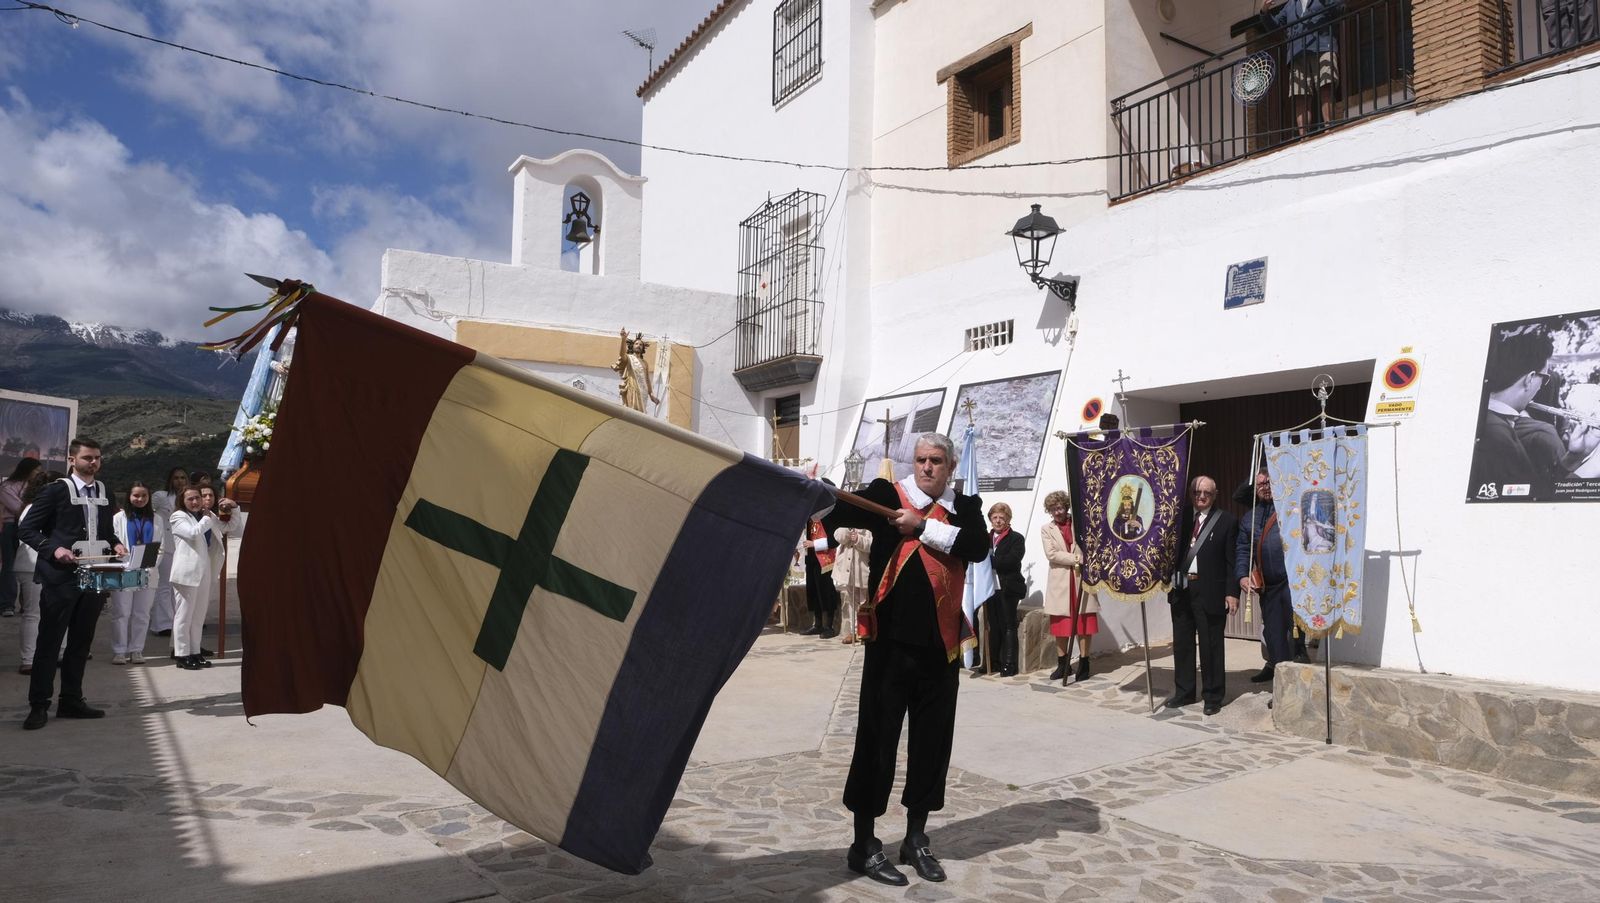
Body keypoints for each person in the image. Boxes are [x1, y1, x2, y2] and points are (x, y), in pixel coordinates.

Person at [827, 433, 988, 886]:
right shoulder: (885, 495)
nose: (927, 468)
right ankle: (864, 844)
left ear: (950, 465)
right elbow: (838, 508)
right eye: (920, 460)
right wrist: (814, 491)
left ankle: (916, 837)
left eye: (936, 460)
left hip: (942, 647)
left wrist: (920, 527)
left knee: (932, 745)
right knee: (876, 743)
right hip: (890, 647)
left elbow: (976, 547)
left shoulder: (966, 508)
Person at [17, 439, 127, 731]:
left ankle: (71, 700)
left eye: (98, 458)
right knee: (50, 643)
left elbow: (105, 532)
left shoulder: (104, 491)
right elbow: (27, 528)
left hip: (94, 576)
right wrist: (54, 549)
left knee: (81, 642)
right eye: (88, 457)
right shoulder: (56, 490)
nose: (94, 463)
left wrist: (116, 545)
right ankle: (39, 705)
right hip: (60, 578)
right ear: (72, 459)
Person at [1469, 328, 1594, 498]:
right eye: (1545, 379)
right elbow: (1536, 501)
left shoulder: (1493, 421)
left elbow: (1535, 485)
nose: (1541, 386)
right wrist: (1592, 467)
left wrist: (1575, 455)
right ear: (1530, 379)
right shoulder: (1495, 433)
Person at [1167, 476, 1240, 716]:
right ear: (1191, 493)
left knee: (1211, 645)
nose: (1201, 497)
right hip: (1181, 590)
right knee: (1183, 644)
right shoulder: (1180, 518)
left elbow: (1232, 561)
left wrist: (1232, 593)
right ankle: (1184, 692)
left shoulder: (1227, 521)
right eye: (1197, 492)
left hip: (1211, 591)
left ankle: (1212, 696)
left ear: (1215, 495)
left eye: (1207, 493)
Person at [1236, 467, 1300, 684]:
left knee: (1298, 635)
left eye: (1269, 483)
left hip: (1293, 584)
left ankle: (1301, 681)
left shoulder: (1291, 509)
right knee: (1274, 637)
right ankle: (1283, 688)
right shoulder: (1249, 518)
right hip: (1269, 588)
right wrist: (1243, 576)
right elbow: (1243, 550)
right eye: (1260, 485)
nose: (1265, 488)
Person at [168, 486, 242, 670]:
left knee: (198, 615)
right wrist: (208, 518)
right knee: (184, 615)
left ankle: (194, 651)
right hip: (186, 572)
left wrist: (234, 507)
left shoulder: (206, 515)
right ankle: (181, 654)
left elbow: (229, 527)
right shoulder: (178, 516)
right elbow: (193, 533)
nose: (195, 502)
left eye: (197, 498)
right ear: (182, 502)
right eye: (190, 499)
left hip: (204, 570)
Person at [1262, 0, 1344, 136]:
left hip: (1323, 46)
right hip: (1297, 52)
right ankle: (1303, 136)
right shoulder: (1290, 5)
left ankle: (1330, 128)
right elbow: (1274, 27)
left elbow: (1340, 8)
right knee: (1300, 95)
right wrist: (1264, 11)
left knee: (1326, 86)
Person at [1040, 490, 1097, 684]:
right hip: (1061, 582)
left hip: (1081, 579)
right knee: (1061, 625)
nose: (1057, 512)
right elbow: (1052, 554)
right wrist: (1076, 559)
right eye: (1053, 509)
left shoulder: (1080, 524)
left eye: (1060, 508)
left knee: (1084, 623)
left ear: (1066, 507)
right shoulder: (1046, 529)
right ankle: (1063, 664)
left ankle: (1084, 662)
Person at [109, 482, 162, 665]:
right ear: (129, 497)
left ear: (149, 498)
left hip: (148, 569)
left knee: (142, 613)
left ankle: (137, 649)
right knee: (122, 612)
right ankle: (119, 650)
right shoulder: (118, 517)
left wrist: (151, 562)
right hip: (125, 569)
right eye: (136, 496)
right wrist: (117, 550)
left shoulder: (157, 518)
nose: (139, 499)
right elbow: (112, 540)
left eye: (144, 496)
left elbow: (160, 545)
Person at [13, 469, 59, 675]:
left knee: (56, 611)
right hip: (33, 565)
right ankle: (29, 659)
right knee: (33, 614)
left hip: (47, 565)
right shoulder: (35, 507)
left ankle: (56, 653)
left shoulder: (33, 506)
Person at [983, 502, 1026, 677]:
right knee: (993, 625)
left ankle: (1009, 664)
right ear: (990, 520)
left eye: (1002, 518)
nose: (998, 521)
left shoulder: (1016, 538)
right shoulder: (986, 538)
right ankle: (993, 661)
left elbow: (1012, 560)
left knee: (1008, 625)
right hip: (990, 587)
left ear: (1008, 520)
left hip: (1008, 587)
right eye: (995, 518)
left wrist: (989, 562)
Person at [1, 457, 43, 617]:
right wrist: (33, 511)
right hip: (12, 527)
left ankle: (27, 604)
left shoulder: (37, 487)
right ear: (27, 470)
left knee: (31, 566)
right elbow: (17, 508)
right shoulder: (7, 486)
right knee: (9, 566)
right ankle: (7, 604)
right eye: (36, 470)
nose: (39, 474)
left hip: (33, 528)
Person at [148, 466, 188, 636]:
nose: (180, 481)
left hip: (184, 546)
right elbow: (150, 515)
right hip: (166, 545)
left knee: (178, 587)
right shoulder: (161, 496)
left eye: (183, 478)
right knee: (164, 585)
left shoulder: (189, 498)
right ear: (170, 480)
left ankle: (176, 621)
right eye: (176, 478)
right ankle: (162, 624)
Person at [802, 489, 841, 638]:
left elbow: (834, 540)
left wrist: (814, 544)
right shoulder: (810, 516)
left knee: (825, 591)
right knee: (813, 591)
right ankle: (817, 625)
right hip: (811, 558)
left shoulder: (830, 514)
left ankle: (829, 626)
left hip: (824, 558)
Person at [831, 526, 872, 645]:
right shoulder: (847, 524)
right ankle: (854, 631)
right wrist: (848, 532)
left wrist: (859, 539)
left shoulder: (868, 527)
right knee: (852, 601)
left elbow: (871, 545)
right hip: (848, 571)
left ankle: (864, 630)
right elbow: (838, 536)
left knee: (864, 602)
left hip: (862, 570)